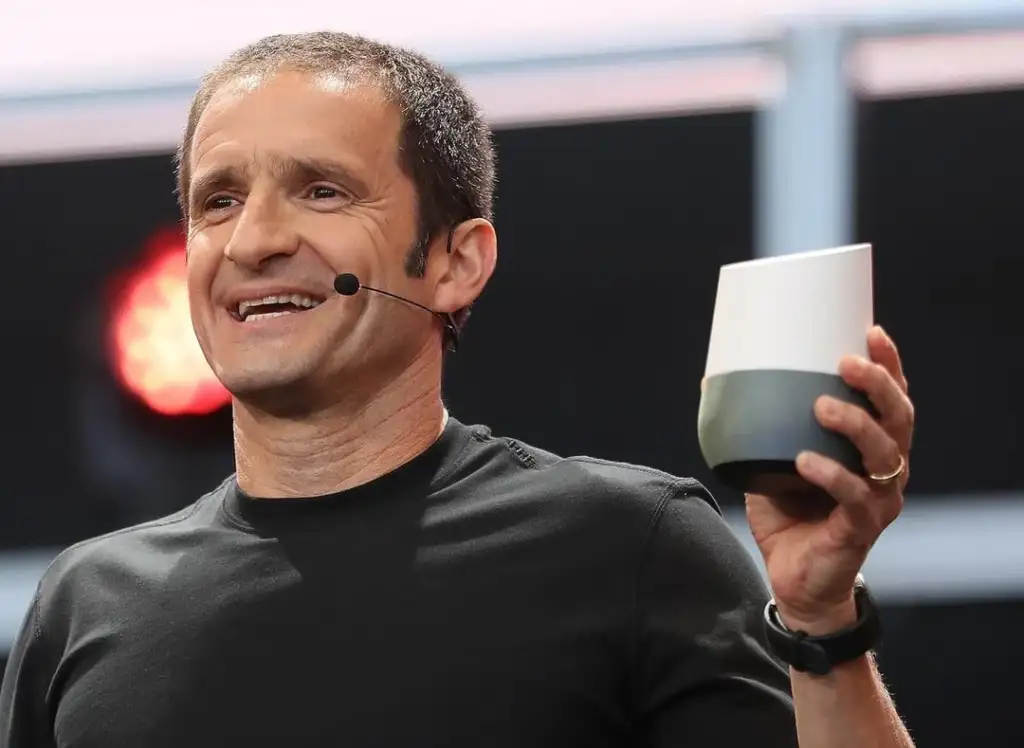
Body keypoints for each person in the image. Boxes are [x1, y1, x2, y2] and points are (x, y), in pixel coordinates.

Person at [0, 31, 916, 748]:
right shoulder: (88, 604)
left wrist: (820, 622)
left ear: (456, 262)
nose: (251, 243)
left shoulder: (626, 547)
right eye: (218, 201)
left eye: (321, 191)